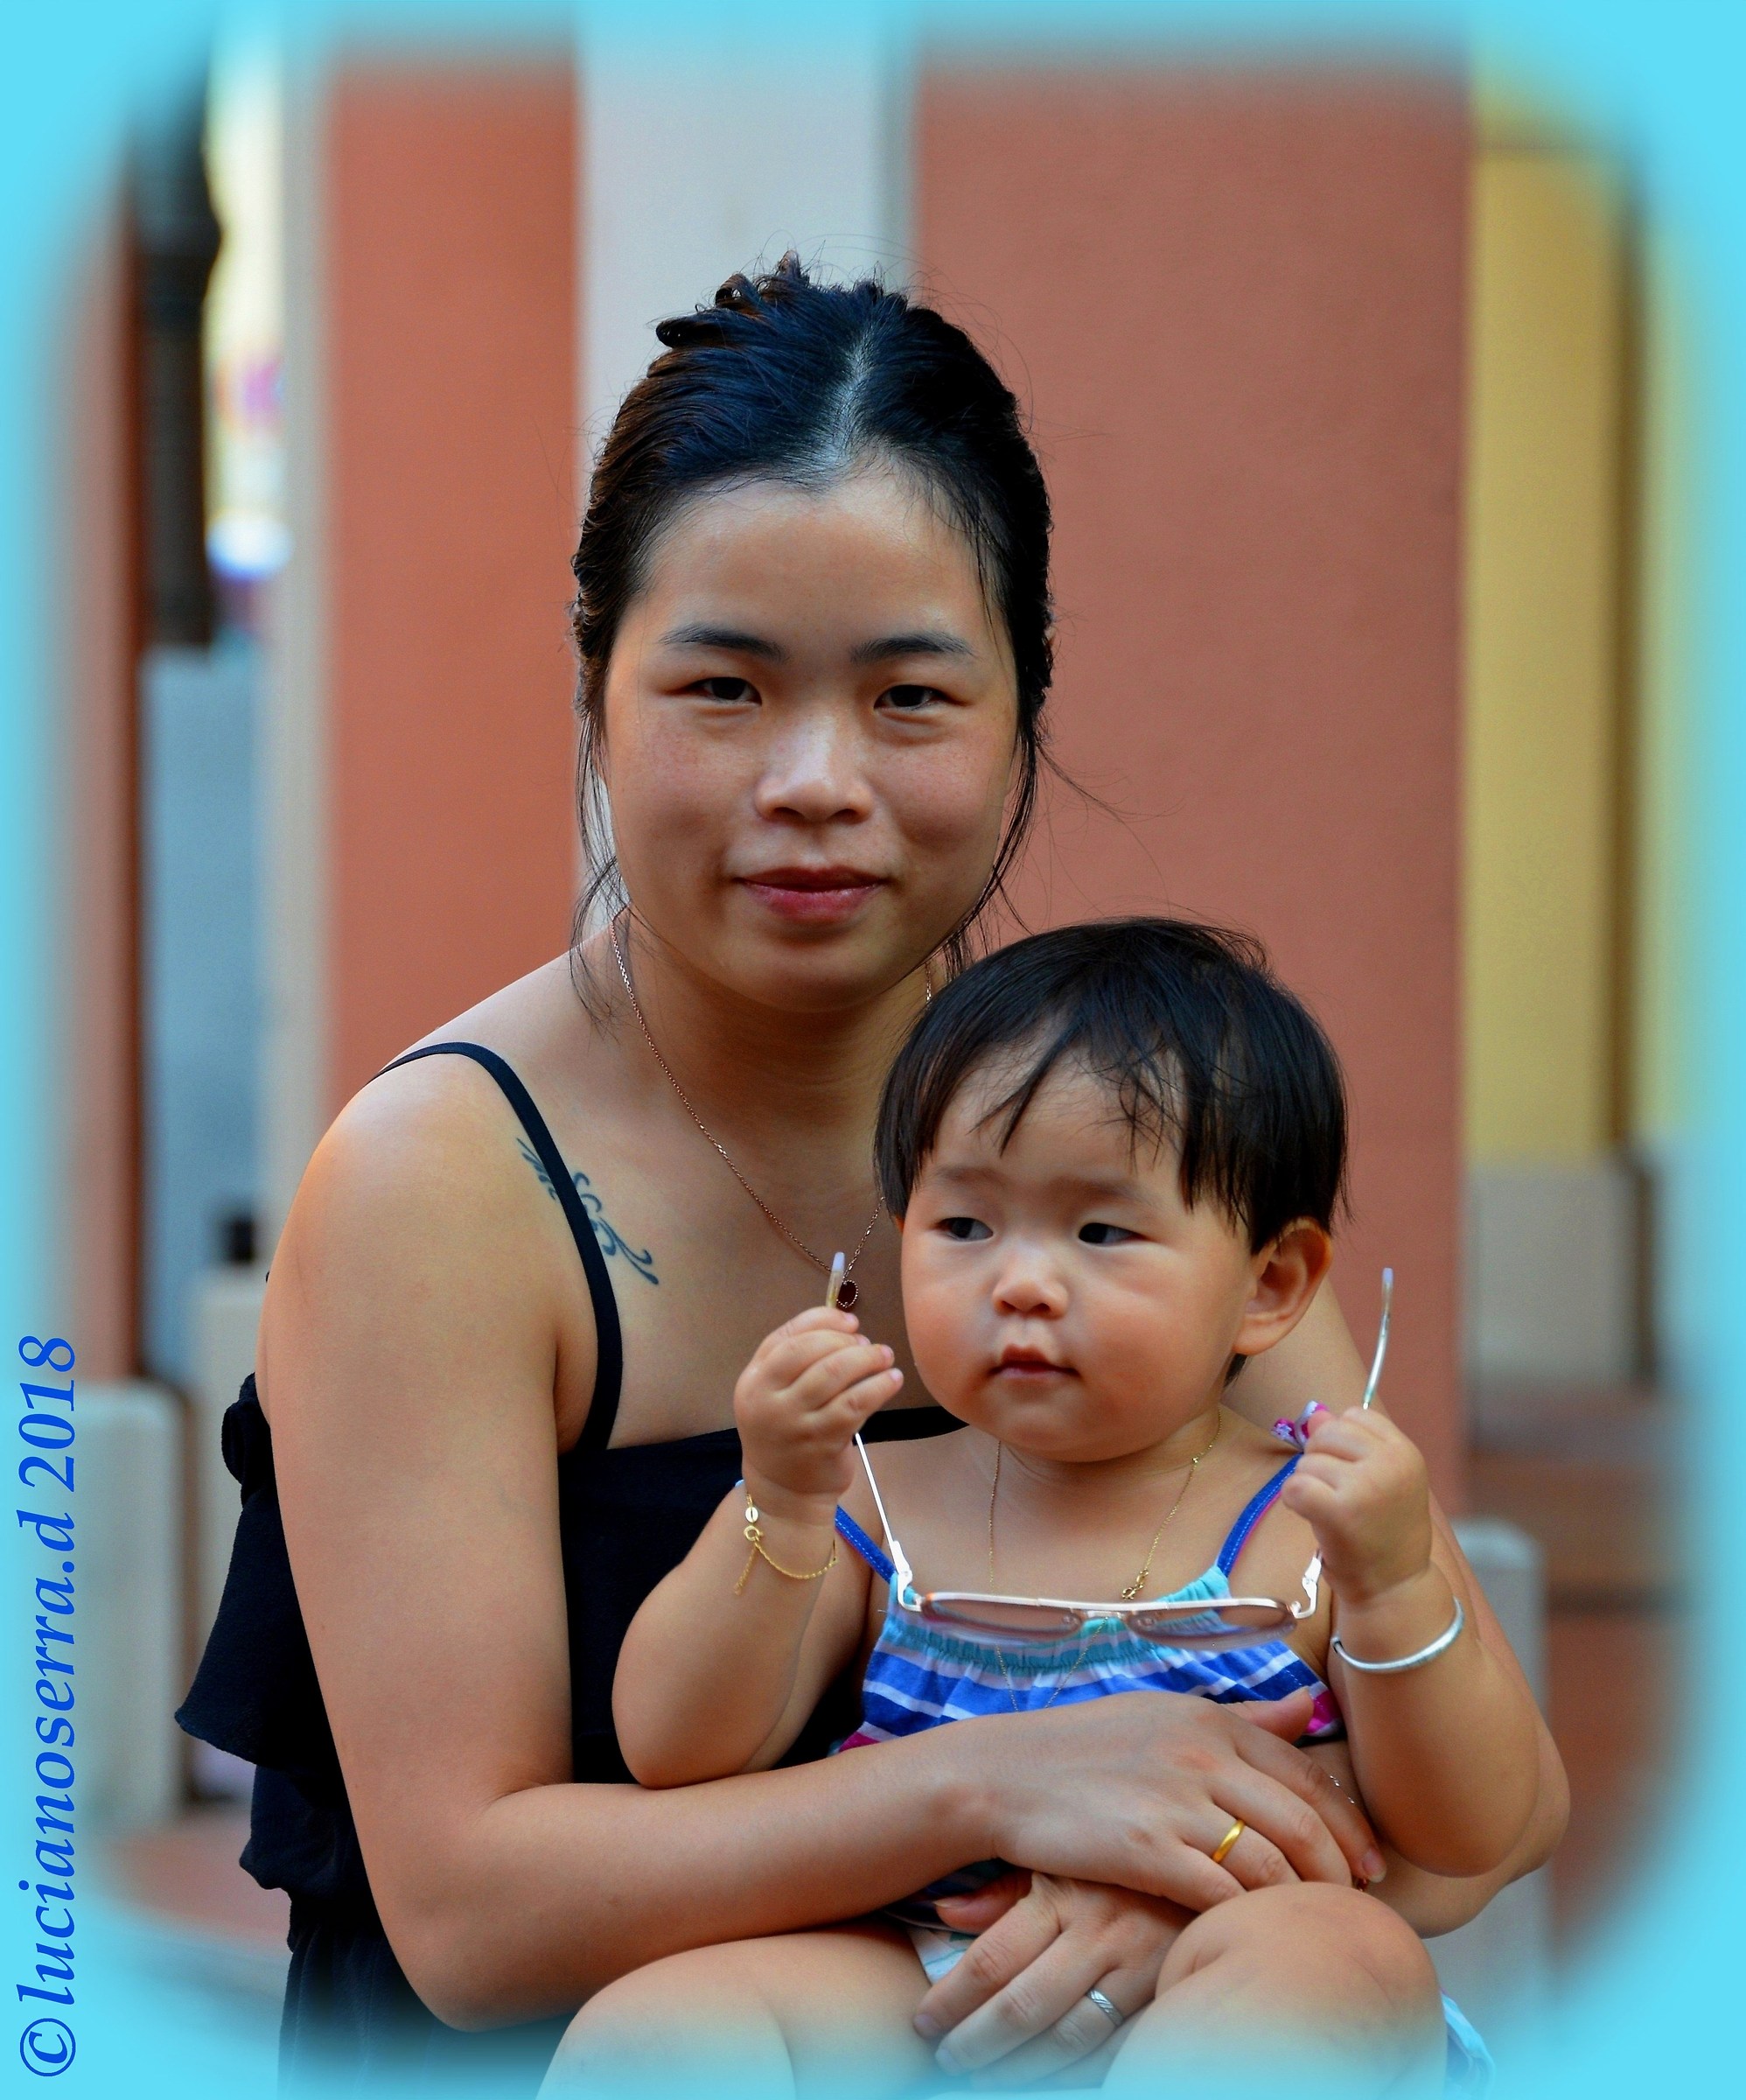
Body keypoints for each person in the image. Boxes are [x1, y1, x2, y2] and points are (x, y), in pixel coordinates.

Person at [178, 259, 1566, 2092]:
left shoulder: (1137, 1132)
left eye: (910, 695)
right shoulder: (440, 1186)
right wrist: (1001, 1786)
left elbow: (1452, 1794)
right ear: (596, 690)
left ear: (1023, 707)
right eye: (724, 687)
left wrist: (1182, 1889)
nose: (816, 780)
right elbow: (472, 1915)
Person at [555, 920, 1548, 2095]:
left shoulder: (1312, 1518)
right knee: (664, 2021)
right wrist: (777, 1502)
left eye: (1101, 1231)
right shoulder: (875, 1496)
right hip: (936, 1979)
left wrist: (1394, 1591)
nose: (1020, 1281)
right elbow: (676, 1748)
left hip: (1224, 1957)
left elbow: (1471, 1830)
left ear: (1270, 1285)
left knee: (1336, 1956)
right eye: (965, 1226)